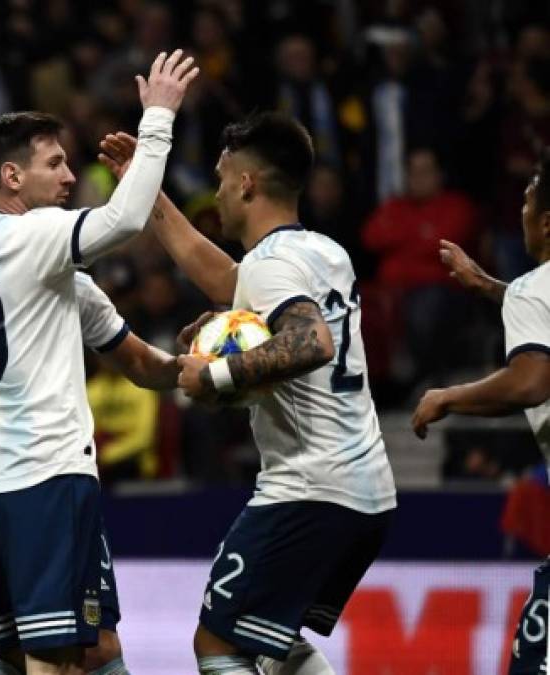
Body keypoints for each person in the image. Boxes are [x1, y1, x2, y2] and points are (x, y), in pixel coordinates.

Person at [0, 50, 197, 674]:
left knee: (39, 656)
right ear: (12, 178)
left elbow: (141, 364)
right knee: (60, 663)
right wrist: (158, 119)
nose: (71, 178)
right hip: (45, 477)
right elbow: (125, 220)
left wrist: (195, 366)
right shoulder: (37, 239)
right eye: (55, 164)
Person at [98, 112, 396, 675]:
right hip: (365, 493)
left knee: (218, 645)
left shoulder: (272, 263)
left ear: (246, 184)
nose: (216, 191)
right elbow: (226, 280)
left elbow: (312, 340)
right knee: (269, 639)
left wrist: (213, 375)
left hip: (309, 488)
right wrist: (147, 190)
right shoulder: (323, 252)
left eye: (219, 178)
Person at [0, 169, 178, 674]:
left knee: (89, 648)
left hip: (40, 480)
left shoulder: (65, 284)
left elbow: (140, 362)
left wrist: (197, 369)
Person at [412, 151, 550, 675]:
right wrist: (493, 288)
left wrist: (449, 397)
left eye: (526, 200)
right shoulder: (529, 293)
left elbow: (534, 379)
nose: (519, 213)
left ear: (547, 222)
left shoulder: (535, 288)